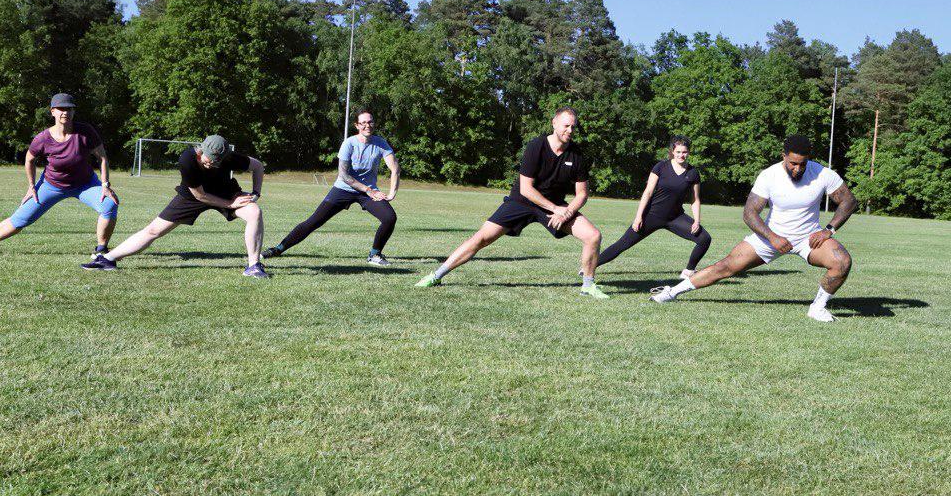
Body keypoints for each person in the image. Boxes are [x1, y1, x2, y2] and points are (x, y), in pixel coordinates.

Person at [650, 135, 859, 323]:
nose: (798, 169)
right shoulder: (769, 176)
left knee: (842, 261)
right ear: (783, 156)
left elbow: (848, 201)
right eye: (793, 163)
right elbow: (749, 213)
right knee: (725, 267)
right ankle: (671, 292)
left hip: (808, 238)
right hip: (769, 237)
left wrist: (829, 230)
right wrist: (773, 237)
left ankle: (817, 308)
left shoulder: (822, 173)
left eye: (802, 164)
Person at [415, 107, 608, 299]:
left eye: (573, 127)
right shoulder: (536, 146)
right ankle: (436, 275)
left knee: (593, 236)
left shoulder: (576, 154)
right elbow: (526, 189)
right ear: (554, 123)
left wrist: (565, 212)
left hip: (555, 206)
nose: (570, 130)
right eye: (566, 126)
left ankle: (588, 286)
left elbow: (582, 193)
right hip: (523, 201)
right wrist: (556, 209)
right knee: (482, 238)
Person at [80, 135, 268, 277]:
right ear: (200, 151)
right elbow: (200, 195)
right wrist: (230, 204)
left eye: (218, 161)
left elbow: (258, 166)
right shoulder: (187, 160)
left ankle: (253, 266)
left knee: (254, 212)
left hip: (225, 191)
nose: (213, 163)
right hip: (193, 195)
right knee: (154, 230)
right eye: (210, 159)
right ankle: (108, 259)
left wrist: (255, 193)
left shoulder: (227, 157)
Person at [0, 93, 119, 256]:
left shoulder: (86, 132)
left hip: (85, 184)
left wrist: (105, 185)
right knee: (21, 219)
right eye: (61, 109)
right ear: (52, 111)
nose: (65, 113)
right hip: (52, 185)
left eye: (69, 109)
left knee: (109, 205)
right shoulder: (43, 138)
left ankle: (101, 250)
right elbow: (29, 160)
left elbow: (102, 158)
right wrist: (32, 186)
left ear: (74, 112)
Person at [261, 109, 400, 265]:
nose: (367, 125)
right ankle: (278, 249)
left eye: (370, 122)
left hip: (367, 193)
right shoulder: (349, 143)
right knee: (313, 222)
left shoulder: (381, 143)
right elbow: (344, 176)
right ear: (357, 125)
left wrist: (391, 193)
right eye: (363, 123)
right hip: (344, 189)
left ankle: (375, 255)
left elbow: (394, 168)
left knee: (389, 218)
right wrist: (369, 190)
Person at [596, 135, 711, 279]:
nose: (682, 155)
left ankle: (688, 271)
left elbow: (695, 199)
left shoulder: (693, 173)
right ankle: (590, 266)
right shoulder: (661, 167)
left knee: (704, 239)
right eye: (678, 152)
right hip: (651, 215)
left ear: (689, 152)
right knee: (623, 244)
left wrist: (697, 220)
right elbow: (648, 192)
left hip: (675, 217)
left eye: (685, 152)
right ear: (672, 152)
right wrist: (638, 216)